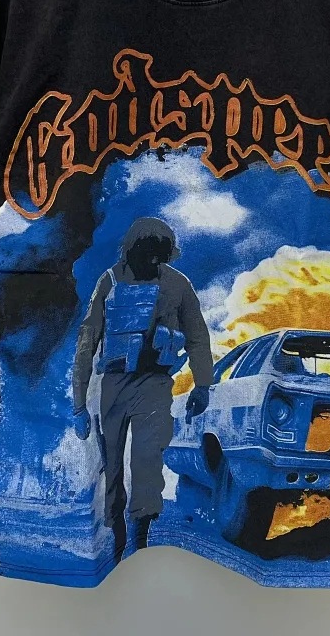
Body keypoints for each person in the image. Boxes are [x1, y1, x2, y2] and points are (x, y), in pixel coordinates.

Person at [71, 217, 212, 559]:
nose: (151, 261)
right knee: (112, 465)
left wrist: (203, 385)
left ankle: (141, 537)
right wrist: (79, 405)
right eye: (146, 253)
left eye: (158, 255)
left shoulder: (178, 285)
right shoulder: (109, 281)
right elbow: (87, 342)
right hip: (114, 384)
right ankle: (117, 532)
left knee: (148, 461)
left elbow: (197, 336)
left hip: (154, 385)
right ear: (132, 250)